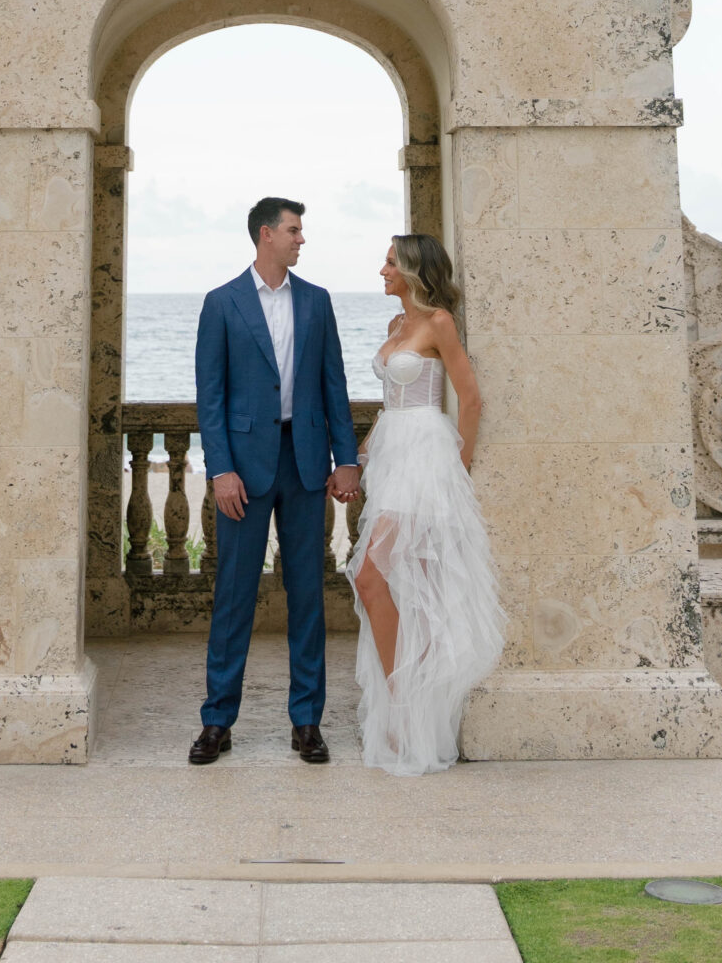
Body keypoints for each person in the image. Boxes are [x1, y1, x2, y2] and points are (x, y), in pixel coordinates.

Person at [190, 196, 360, 766]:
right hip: (242, 467)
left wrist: (346, 457)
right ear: (266, 235)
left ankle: (307, 721)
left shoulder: (317, 301)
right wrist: (220, 469)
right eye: (294, 230)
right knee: (234, 597)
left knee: (307, 594)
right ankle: (217, 721)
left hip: (307, 461)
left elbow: (333, 383)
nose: (301, 240)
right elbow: (209, 398)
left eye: (301, 231)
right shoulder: (222, 303)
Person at [346, 233, 505, 777]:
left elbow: (471, 397)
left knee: (371, 575)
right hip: (392, 457)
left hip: (426, 462)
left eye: (390, 261)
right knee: (397, 582)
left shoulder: (438, 323)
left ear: (414, 269)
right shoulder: (396, 327)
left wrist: (457, 467)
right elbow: (393, 404)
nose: (382, 269)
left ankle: (403, 702)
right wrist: (357, 456)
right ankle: (406, 706)